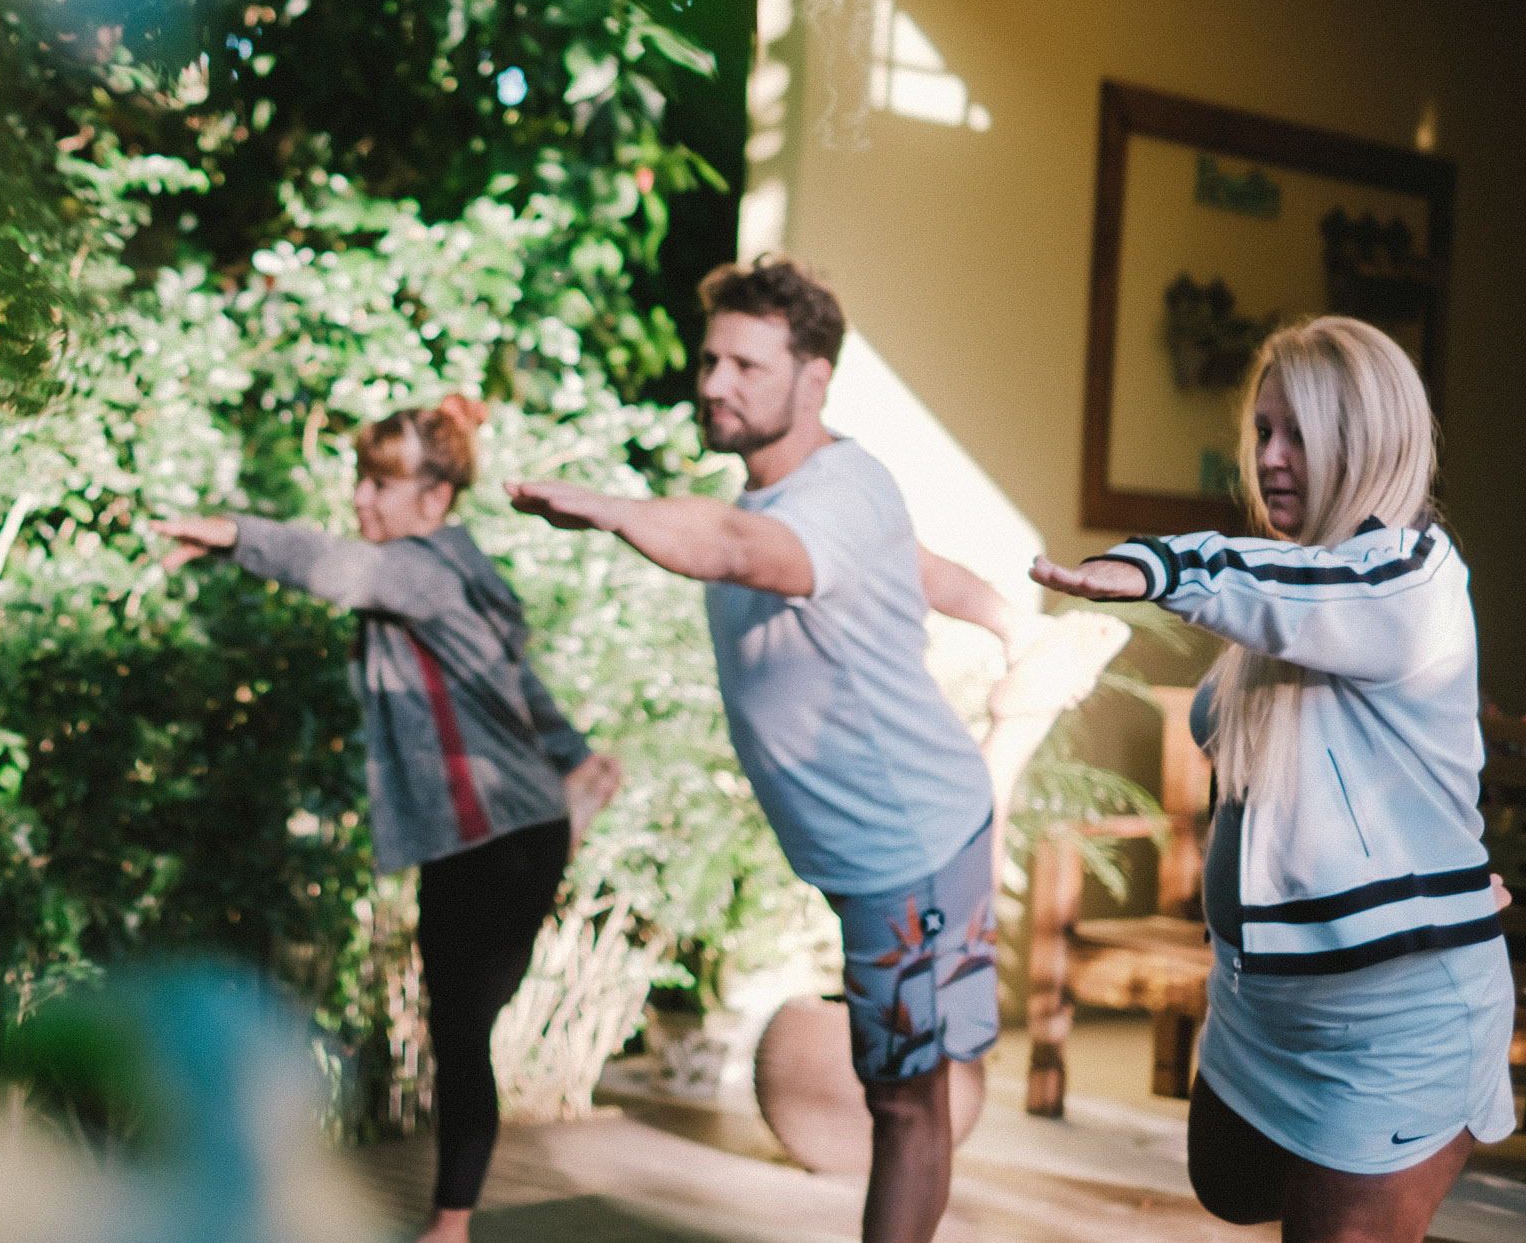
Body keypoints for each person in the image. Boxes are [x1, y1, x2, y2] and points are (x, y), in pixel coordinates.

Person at [505, 255, 1012, 1243]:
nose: (712, 382)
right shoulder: (809, 495)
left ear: (813, 378)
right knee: (916, 1078)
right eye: (709, 359)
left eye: (744, 363)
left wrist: (612, 508)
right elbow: (904, 560)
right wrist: (1000, 615)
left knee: (901, 1100)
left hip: (908, 852)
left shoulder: (829, 490)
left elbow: (743, 552)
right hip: (885, 844)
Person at [1033, 316, 1514, 1243]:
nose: (1273, 457)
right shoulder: (1292, 596)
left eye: (1301, 431)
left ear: (1369, 439)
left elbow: (1292, 594)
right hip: (1263, 1012)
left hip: (1390, 1021)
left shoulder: (1411, 577)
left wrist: (1151, 563)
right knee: (1230, 1182)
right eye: (1263, 431)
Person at [153, 395, 621, 1243]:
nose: (361, 498)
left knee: (457, 1029)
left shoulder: (415, 567)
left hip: (483, 835)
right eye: (360, 478)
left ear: (434, 499)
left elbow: (337, 565)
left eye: (381, 482)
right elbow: (518, 686)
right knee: (469, 1019)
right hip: (523, 829)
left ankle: (449, 1225)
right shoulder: (461, 570)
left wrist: (234, 532)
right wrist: (576, 754)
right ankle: (572, 807)